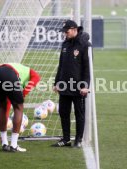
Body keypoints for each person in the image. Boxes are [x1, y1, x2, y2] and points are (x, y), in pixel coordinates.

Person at [52, 20, 91, 148]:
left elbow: (87, 68)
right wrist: (56, 82)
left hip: (79, 87)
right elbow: (61, 66)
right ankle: (66, 139)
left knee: (79, 114)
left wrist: (85, 85)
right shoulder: (65, 45)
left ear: (74, 29)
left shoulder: (85, 45)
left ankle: (78, 140)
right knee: (64, 113)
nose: (65, 34)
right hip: (64, 85)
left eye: (67, 32)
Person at [0, 63, 40, 152]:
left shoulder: (19, 71)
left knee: (2, 107)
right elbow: (36, 77)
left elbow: (8, 104)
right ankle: (14, 145)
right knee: (19, 107)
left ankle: (4, 143)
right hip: (8, 73)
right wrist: (23, 94)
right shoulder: (30, 73)